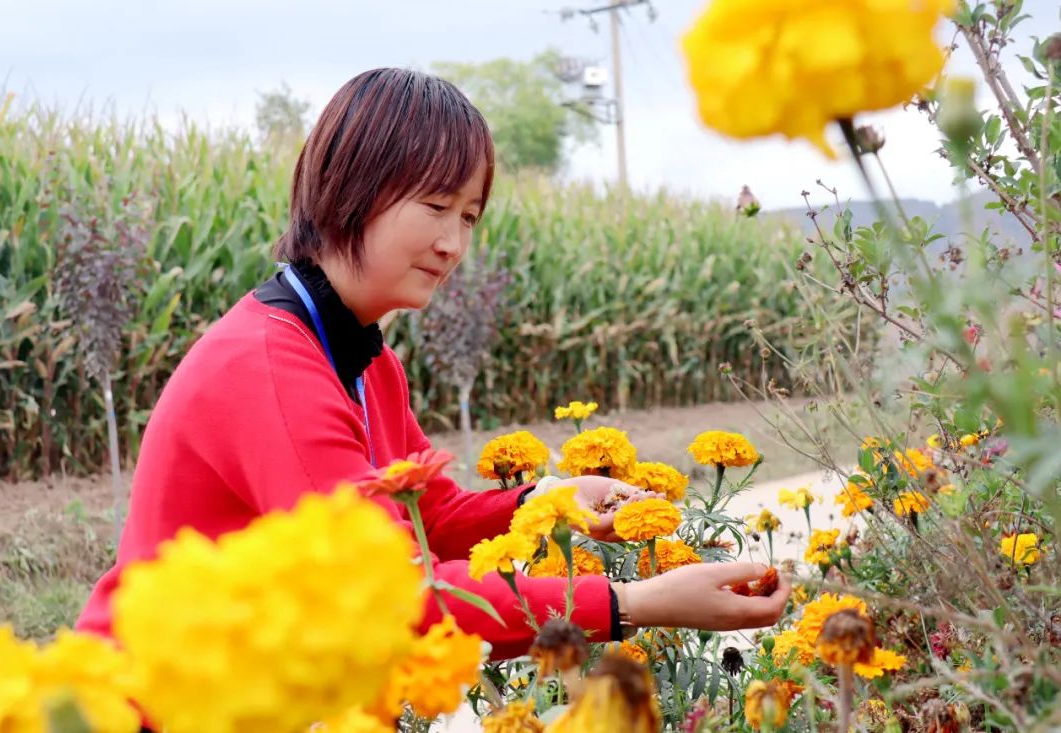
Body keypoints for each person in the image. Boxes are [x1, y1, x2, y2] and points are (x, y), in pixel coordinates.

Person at [77, 67, 789, 665]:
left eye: (471, 217)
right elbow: (388, 597)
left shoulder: (363, 356)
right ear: (348, 188)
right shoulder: (272, 366)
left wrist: (546, 502)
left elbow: (427, 514)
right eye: (436, 205)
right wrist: (632, 603)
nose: (453, 243)